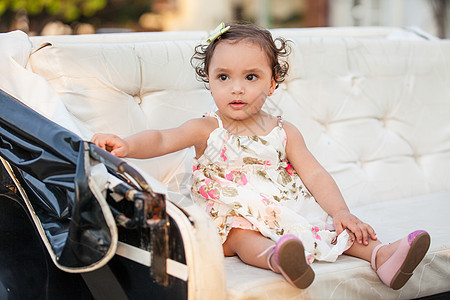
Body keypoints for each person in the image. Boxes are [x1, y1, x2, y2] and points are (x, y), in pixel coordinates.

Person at [91, 22, 430, 290]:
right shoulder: (206, 128)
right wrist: (126, 144)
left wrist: (341, 211)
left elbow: (314, 175)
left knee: (326, 226)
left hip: (280, 208)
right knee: (242, 236)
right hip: (230, 213)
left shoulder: (285, 131)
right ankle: (278, 259)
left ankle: (381, 255)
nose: (236, 88)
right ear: (209, 82)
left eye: (250, 77)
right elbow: (163, 138)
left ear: (272, 83)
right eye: (224, 77)